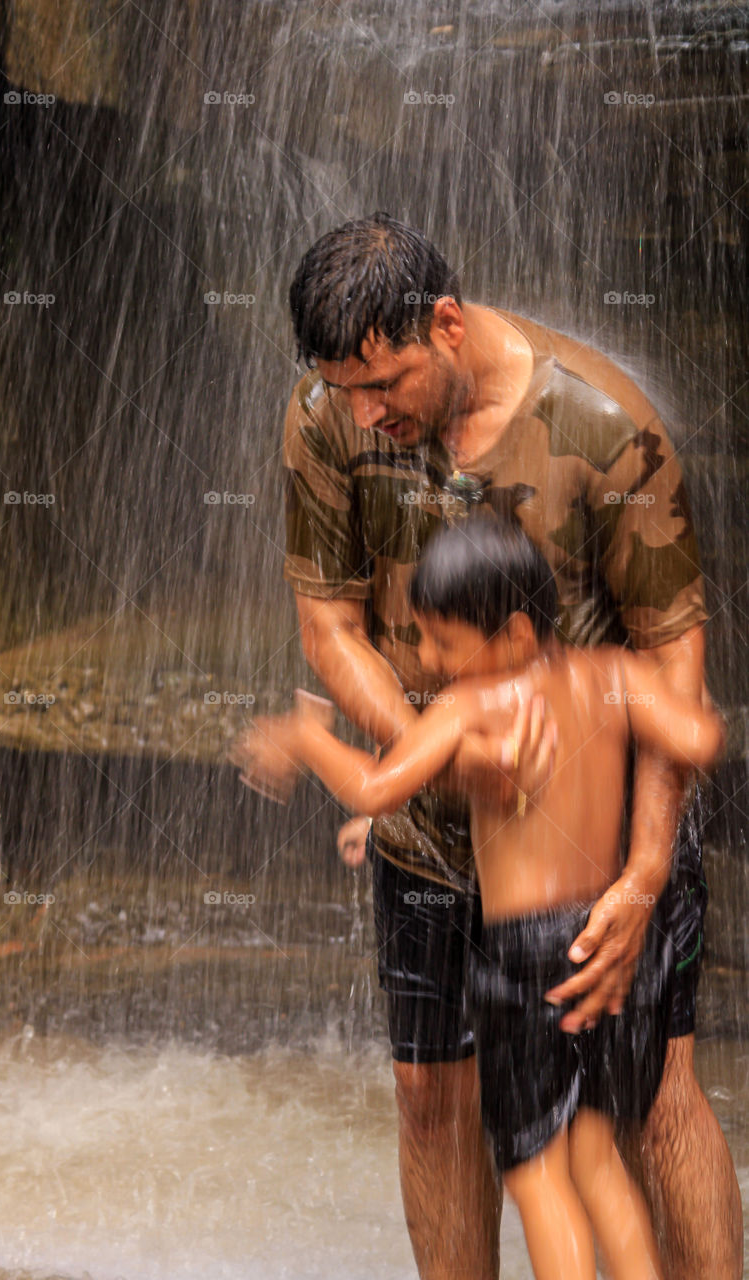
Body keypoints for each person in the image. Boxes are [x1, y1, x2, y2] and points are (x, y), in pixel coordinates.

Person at [280, 213, 742, 1279]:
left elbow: (675, 663)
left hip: (595, 844)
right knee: (431, 1092)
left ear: (445, 325)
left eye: (382, 382)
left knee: (647, 1104)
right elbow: (328, 627)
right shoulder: (324, 419)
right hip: (434, 839)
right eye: (343, 386)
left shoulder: (605, 431)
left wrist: (645, 871)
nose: (364, 410)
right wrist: (440, 745)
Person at [240, 516, 726, 1280]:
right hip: (611, 951)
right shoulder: (611, 674)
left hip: (528, 962)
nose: (427, 662)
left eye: (440, 641)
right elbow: (698, 739)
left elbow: (380, 783)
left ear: (513, 633)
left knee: (538, 1175)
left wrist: (306, 741)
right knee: (598, 1159)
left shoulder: (473, 707)